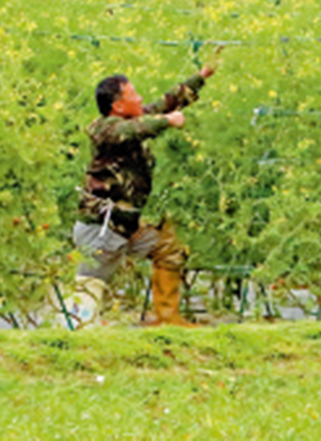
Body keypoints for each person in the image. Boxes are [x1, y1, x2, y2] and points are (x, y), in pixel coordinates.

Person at [67, 61, 216, 327]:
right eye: (133, 94)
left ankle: (168, 321)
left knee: (169, 248)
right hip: (100, 230)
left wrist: (201, 76)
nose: (140, 98)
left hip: (126, 226)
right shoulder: (105, 129)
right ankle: (73, 347)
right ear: (118, 105)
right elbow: (138, 128)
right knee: (86, 299)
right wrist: (166, 121)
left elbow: (165, 103)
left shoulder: (132, 118)